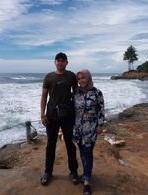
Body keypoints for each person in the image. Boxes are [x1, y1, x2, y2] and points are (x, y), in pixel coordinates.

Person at [40, 52, 79, 186]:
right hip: (51, 115)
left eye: (63, 60)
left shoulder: (71, 76)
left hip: (68, 115)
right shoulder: (49, 77)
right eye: (58, 60)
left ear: (67, 62)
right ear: (55, 62)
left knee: (70, 144)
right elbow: (44, 96)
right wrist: (42, 114)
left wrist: (78, 110)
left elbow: (77, 93)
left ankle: (73, 172)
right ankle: (48, 172)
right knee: (51, 144)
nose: (60, 62)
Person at [73, 69, 105, 195]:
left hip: (91, 129)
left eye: (83, 78)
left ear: (89, 78)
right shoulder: (75, 93)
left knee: (88, 153)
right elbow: (72, 111)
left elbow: (101, 109)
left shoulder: (97, 93)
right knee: (82, 153)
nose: (81, 81)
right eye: (79, 79)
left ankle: (87, 181)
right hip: (78, 130)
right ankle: (86, 173)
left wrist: (100, 124)